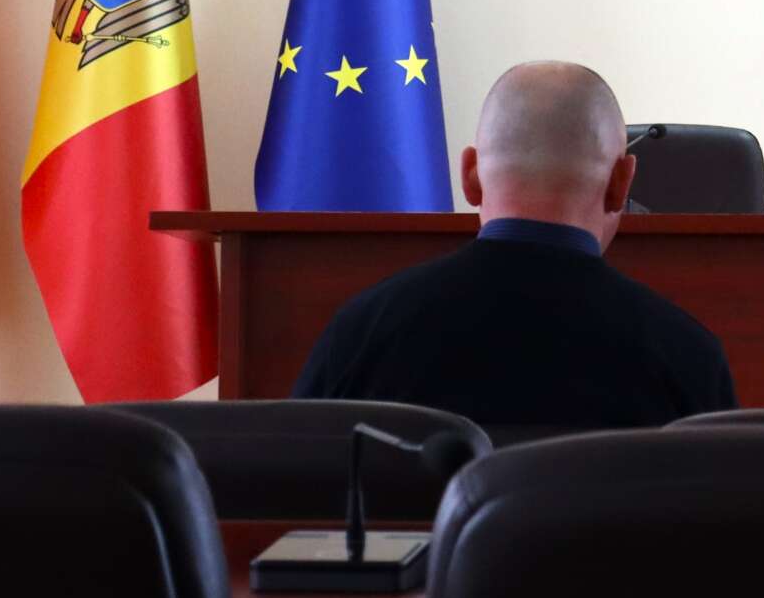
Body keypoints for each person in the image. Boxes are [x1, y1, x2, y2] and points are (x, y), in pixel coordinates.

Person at [293, 61, 737, 430]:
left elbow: (297, 492)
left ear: (470, 175)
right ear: (622, 182)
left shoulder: (361, 334)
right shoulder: (686, 355)